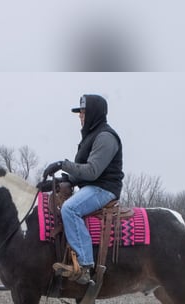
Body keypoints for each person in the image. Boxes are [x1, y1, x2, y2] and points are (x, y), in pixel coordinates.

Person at [42, 94, 124, 285]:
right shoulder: (92, 136)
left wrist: (63, 164)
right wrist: (64, 180)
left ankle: (85, 265)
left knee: (70, 208)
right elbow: (81, 173)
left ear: (95, 113)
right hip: (93, 187)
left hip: (104, 189)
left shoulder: (105, 137)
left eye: (84, 112)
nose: (80, 116)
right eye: (80, 112)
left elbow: (93, 171)